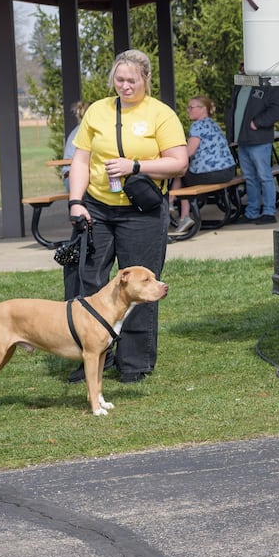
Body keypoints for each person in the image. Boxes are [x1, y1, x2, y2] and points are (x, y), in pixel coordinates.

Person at [65, 49, 188, 382]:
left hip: (142, 213)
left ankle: (134, 363)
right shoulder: (98, 111)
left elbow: (179, 163)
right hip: (97, 208)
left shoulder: (161, 114)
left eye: (132, 80)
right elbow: (80, 160)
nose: (125, 86)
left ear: (145, 79)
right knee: (88, 280)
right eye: (119, 80)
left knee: (142, 286)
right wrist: (76, 202)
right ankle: (93, 356)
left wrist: (135, 166)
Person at [170, 95, 237, 234]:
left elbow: (188, 152)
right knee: (184, 173)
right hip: (228, 171)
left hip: (213, 174)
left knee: (181, 172)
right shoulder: (213, 124)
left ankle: (177, 210)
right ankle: (177, 209)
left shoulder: (197, 126)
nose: (188, 110)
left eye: (191, 107)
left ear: (203, 109)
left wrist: (172, 155)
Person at [228, 79, 279, 225]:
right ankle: (252, 212)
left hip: (260, 140)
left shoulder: (268, 84)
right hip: (242, 140)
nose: (243, 68)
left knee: (264, 176)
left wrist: (257, 122)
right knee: (250, 178)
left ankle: (269, 212)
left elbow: (277, 109)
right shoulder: (240, 84)